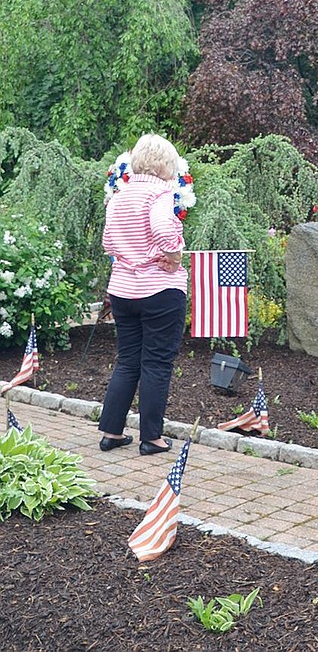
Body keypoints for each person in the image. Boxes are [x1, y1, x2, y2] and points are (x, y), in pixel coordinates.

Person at [98, 134, 187, 456]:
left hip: (122, 290)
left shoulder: (119, 196)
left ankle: (111, 432)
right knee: (157, 364)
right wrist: (174, 256)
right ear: (165, 164)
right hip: (160, 290)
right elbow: (164, 229)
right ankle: (152, 438)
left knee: (127, 362)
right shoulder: (161, 193)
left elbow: (108, 243)